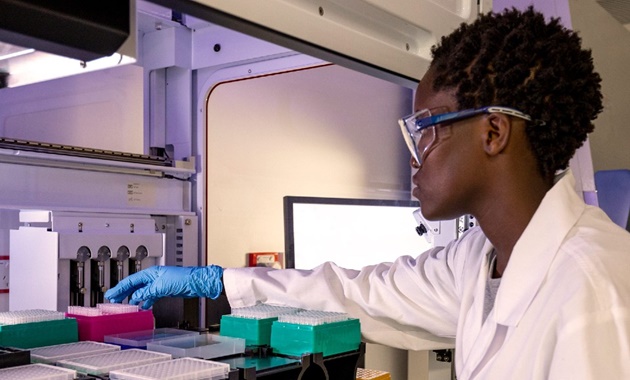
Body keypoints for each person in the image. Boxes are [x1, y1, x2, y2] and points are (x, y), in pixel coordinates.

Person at [106, 7, 630, 379]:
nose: (415, 152)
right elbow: (359, 291)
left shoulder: (595, 291)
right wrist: (217, 280)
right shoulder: (480, 259)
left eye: (425, 127)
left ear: (493, 132)